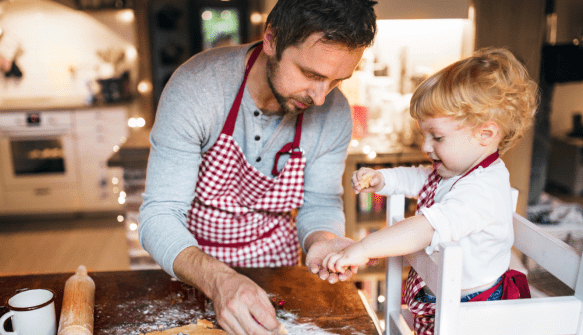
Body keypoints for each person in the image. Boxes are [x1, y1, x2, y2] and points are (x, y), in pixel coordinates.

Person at [138, 1, 377, 334]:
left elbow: (321, 203)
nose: (321, 97)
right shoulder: (198, 88)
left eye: (337, 81)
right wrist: (220, 280)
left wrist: (321, 240)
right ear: (271, 40)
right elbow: (158, 215)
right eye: (311, 74)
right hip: (194, 270)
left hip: (277, 273)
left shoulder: (334, 114)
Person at [323, 47, 538, 334]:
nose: (426, 147)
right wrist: (382, 179)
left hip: (474, 313)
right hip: (446, 297)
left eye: (437, 137)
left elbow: (424, 229)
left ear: (485, 134)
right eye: (425, 135)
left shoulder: (483, 190)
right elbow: (420, 178)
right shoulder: (458, 169)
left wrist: (364, 248)